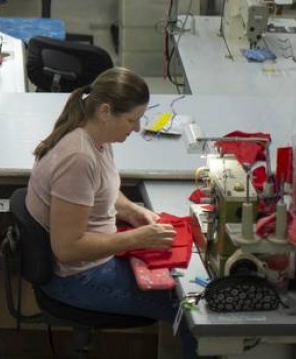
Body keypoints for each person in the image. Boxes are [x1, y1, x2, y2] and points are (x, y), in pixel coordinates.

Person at [26, 67, 197, 358]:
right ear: (106, 111)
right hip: (77, 277)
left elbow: (102, 188)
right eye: (132, 120)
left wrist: (130, 210)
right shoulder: (78, 158)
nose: (137, 128)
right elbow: (67, 249)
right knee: (192, 310)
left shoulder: (95, 138)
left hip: (91, 263)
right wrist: (137, 239)